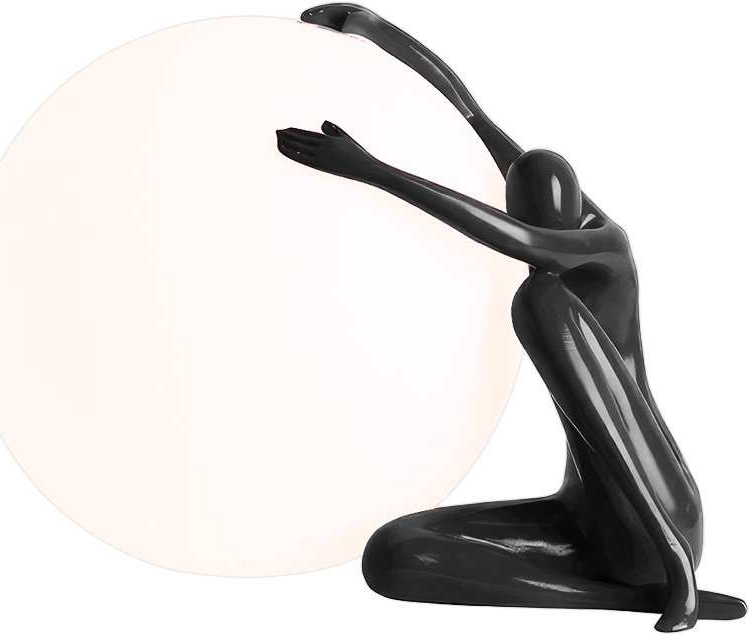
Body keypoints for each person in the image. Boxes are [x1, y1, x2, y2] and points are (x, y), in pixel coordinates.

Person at [276, 5, 746, 630]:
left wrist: (374, 171)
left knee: (539, 301)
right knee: (391, 554)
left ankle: (674, 576)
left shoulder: (604, 246)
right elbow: (473, 115)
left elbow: (513, 238)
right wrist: (372, 27)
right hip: (581, 518)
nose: (530, 233)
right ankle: (625, 599)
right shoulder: (560, 222)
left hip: (657, 510)